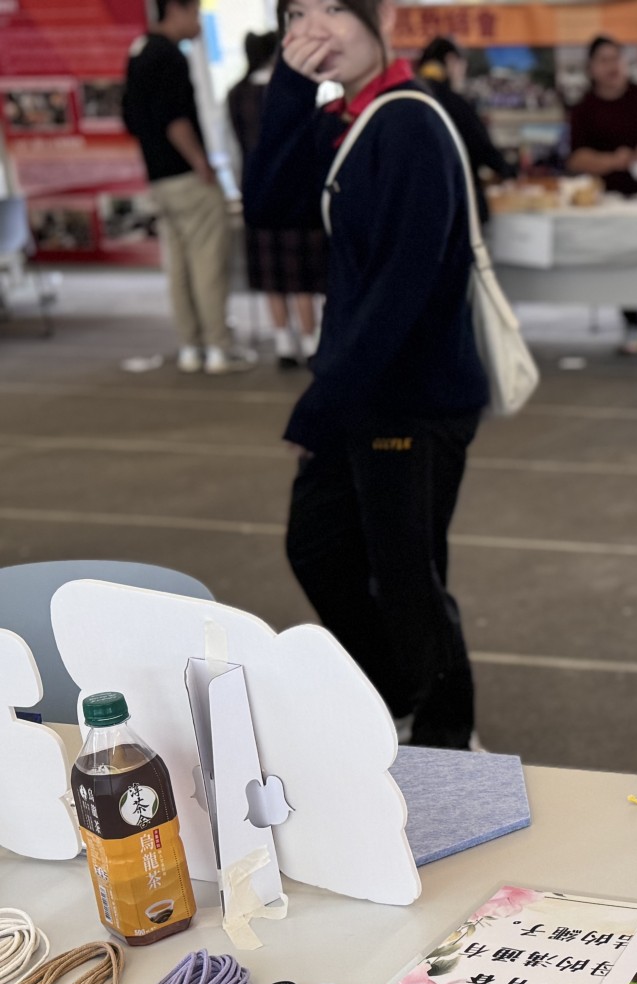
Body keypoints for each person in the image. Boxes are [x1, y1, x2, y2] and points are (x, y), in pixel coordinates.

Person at [244, 0, 488, 750]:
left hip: (410, 396)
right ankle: (397, 691)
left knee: (405, 573)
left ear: (378, 15)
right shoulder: (346, 118)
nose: (316, 28)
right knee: (318, 547)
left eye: (333, 9)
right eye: (297, 14)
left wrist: (321, 405)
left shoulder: (409, 120)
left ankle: (448, 734)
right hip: (361, 386)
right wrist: (289, 88)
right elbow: (267, 202)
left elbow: (401, 289)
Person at [123, 0, 251, 375]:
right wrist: (200, 163)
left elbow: (131, 118)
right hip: (186, 177)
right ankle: (218, 349)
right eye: (195, 12)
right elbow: (175, 119)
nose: (198, 22)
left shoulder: (139, 51)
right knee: (208, 264)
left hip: (159, 179)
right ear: (176, 10)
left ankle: (190, 347)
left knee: (178, 267)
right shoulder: (169, 56)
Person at [565, 36, 637, 355]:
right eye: (603, 60)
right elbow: (576, 158)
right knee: (626, 262)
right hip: (614, 201)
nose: (612, 67)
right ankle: (633, 324)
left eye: (616, 58)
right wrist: (613, 161)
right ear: (591, 68)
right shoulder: (585, 109)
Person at [226, 31, 324, 369]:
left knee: (273, 276)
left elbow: (232, 146)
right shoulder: (290, 90)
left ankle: (283, 342)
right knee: (301, 275)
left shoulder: (236, 94)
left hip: (255, 192)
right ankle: (310, 341)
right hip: (296, 193)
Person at [417, 36, 513, 225]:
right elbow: (482, 147)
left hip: (420, 208)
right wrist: (508, 171)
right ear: (451, 61)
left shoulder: (410, 101)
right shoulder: (454, 102)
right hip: (459, 206)